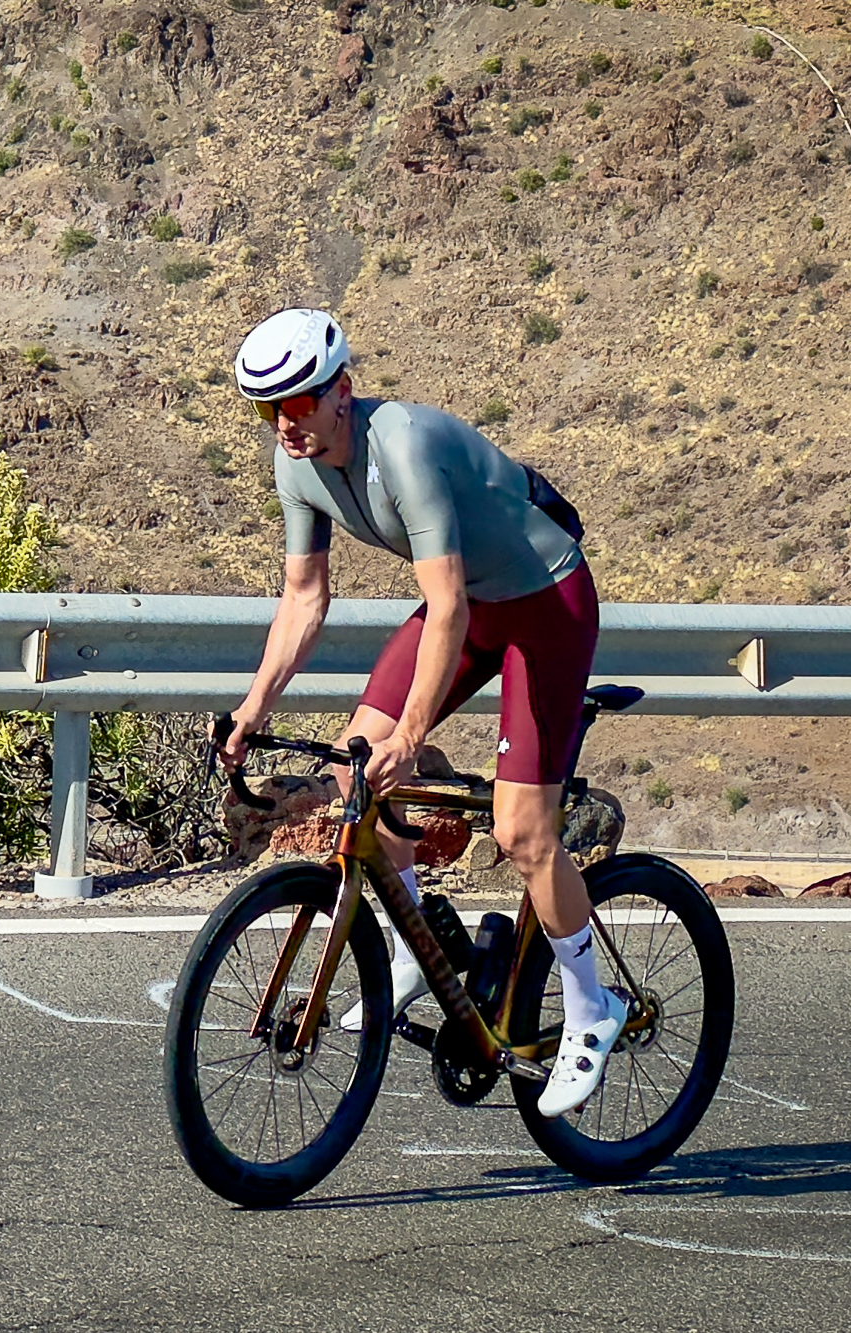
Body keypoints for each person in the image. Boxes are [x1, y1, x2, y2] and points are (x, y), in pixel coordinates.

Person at [214, 306, 616, 1119]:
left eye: (297, 404)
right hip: (469, 603)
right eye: (268, 410)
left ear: (341, 393)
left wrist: (415, 732)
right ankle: (409, 944)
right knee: (348, 766)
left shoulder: (401, 447)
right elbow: (304, 598)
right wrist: (252, 709)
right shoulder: (295, 465)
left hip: (544, 604)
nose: (285, 425)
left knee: (522, 833)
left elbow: (445, 609)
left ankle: (591, 1006)